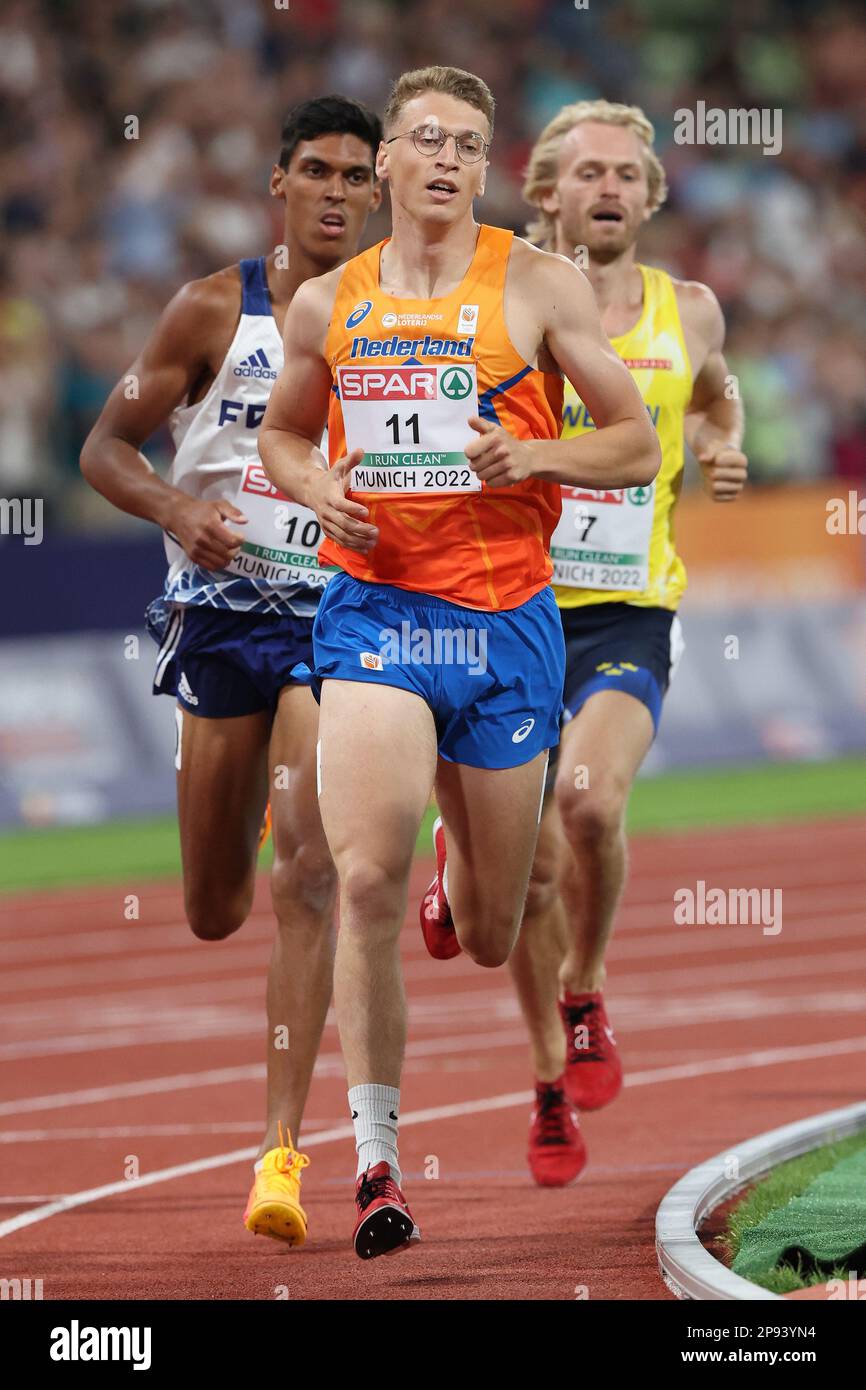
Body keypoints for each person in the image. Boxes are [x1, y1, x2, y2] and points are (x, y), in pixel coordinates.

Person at [259, 66, 659, 1258]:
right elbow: (282, 433)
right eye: (422, 138)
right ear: (381, 161)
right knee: (360, 882)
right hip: (376, 613)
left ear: (483, 172)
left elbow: (633, 444)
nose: (443, 159)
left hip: (504, 624)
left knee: (491, 929)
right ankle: (376, 1163)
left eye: (466, 145)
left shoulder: (533, 284)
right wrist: (315, 481)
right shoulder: (327, 305)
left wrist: (536, 460)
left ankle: (461, 872)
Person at [80, 95, 382, 1244]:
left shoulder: (395, 323)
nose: (338, 191)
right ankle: (249, 796)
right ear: (279, 183)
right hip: (217, 621)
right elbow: (104, 447)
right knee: (214, 906)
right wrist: (176, 505)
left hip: (335, 617)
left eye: (358, 175)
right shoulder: (214, 308)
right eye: (318, 170)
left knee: (309, 872)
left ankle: (279, 1155)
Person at [508, 100, 748, 1187]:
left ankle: (586, 988)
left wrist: (720, 439)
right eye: (584, 172)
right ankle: (547, 1077)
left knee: (589, 802)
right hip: (500, 604)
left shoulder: (686, 310)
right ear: (545, 192)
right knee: (516, 879)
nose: (605, 187)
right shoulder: (498, 297)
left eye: (624, 175)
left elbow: (713, 390)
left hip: (625, 613)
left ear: (647, 199)